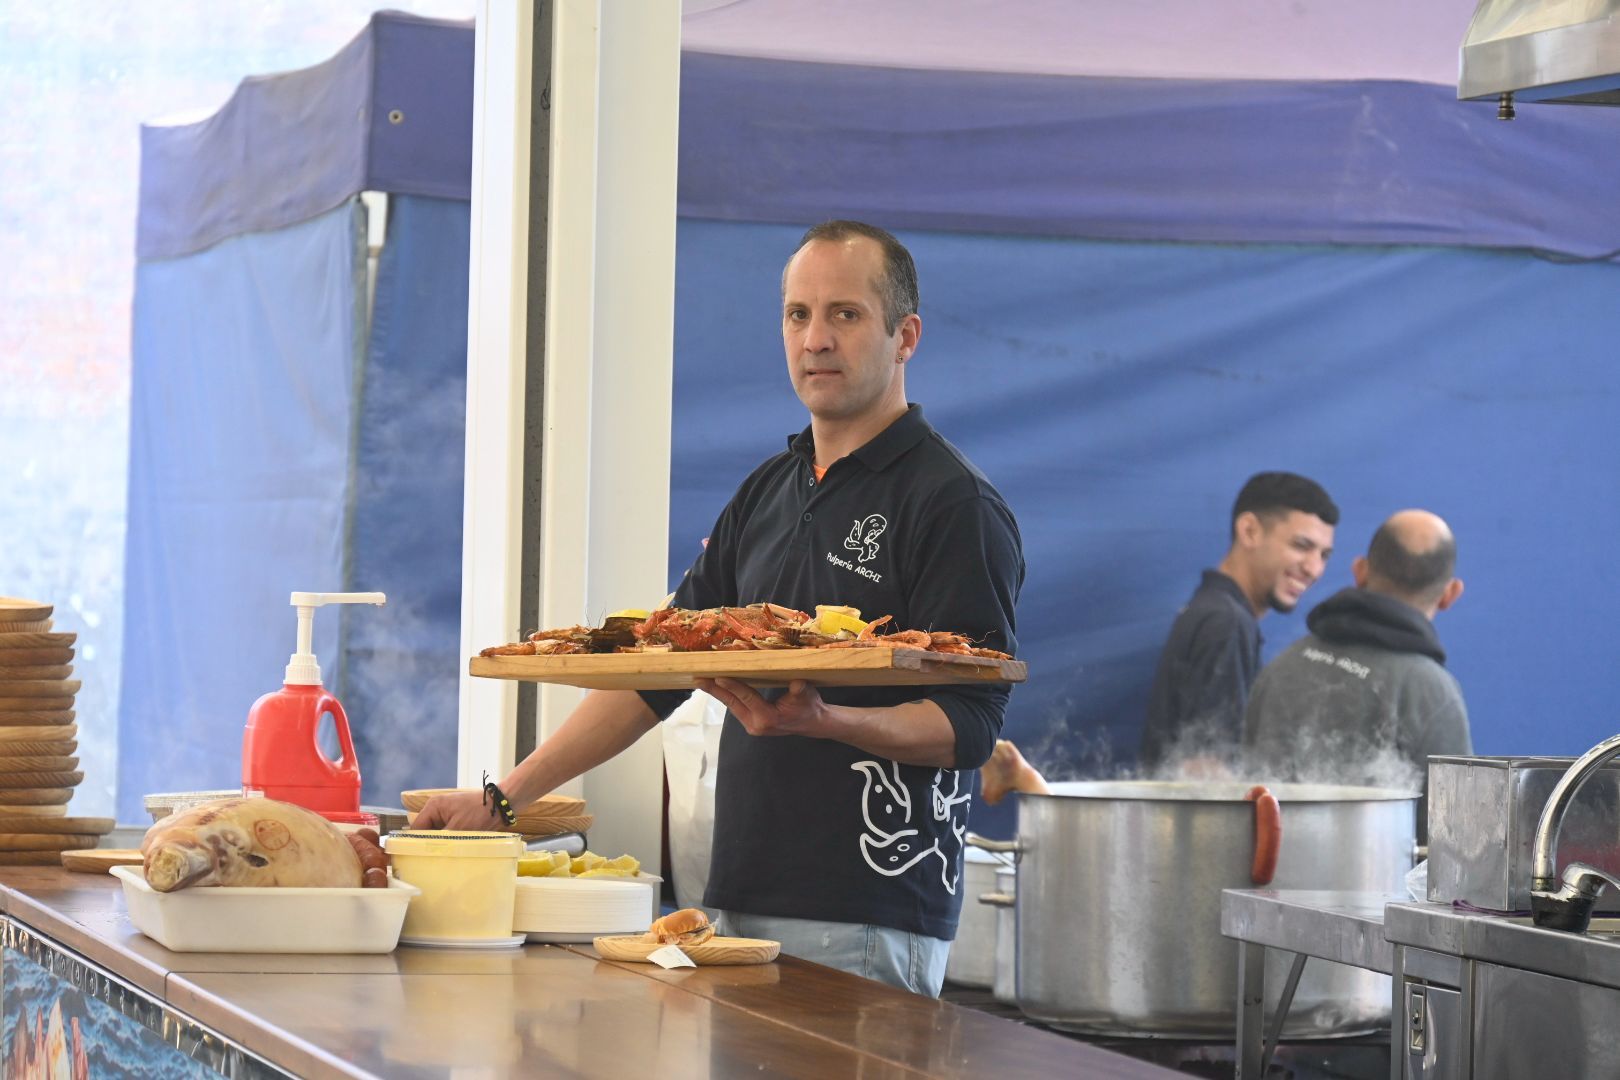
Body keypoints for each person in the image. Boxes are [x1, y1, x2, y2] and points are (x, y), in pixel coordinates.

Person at [418, 221, 1024, 996]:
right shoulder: (768, 491)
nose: (816, 340)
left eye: (846, 314)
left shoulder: (953, 503)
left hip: (868, 912)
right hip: (734, 901)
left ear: (905, 336)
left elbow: (972, 725)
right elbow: (658, 672)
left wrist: (830, 722)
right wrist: (504, 800)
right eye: (798, 315)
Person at [1243, 510, 1470, 839]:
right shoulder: (1433, 693)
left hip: (1260, 885)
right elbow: (1456, 842)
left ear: (1360, 571)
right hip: (1373, 885)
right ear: (1450, 594)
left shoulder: (1281, 666)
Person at [1138, 471, 1338, 770]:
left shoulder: (1215, 613)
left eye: (1324, 555)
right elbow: (1206, 768)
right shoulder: (1225, 623)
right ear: (1249, 531)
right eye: (1301, 545)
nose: (1314, 569)